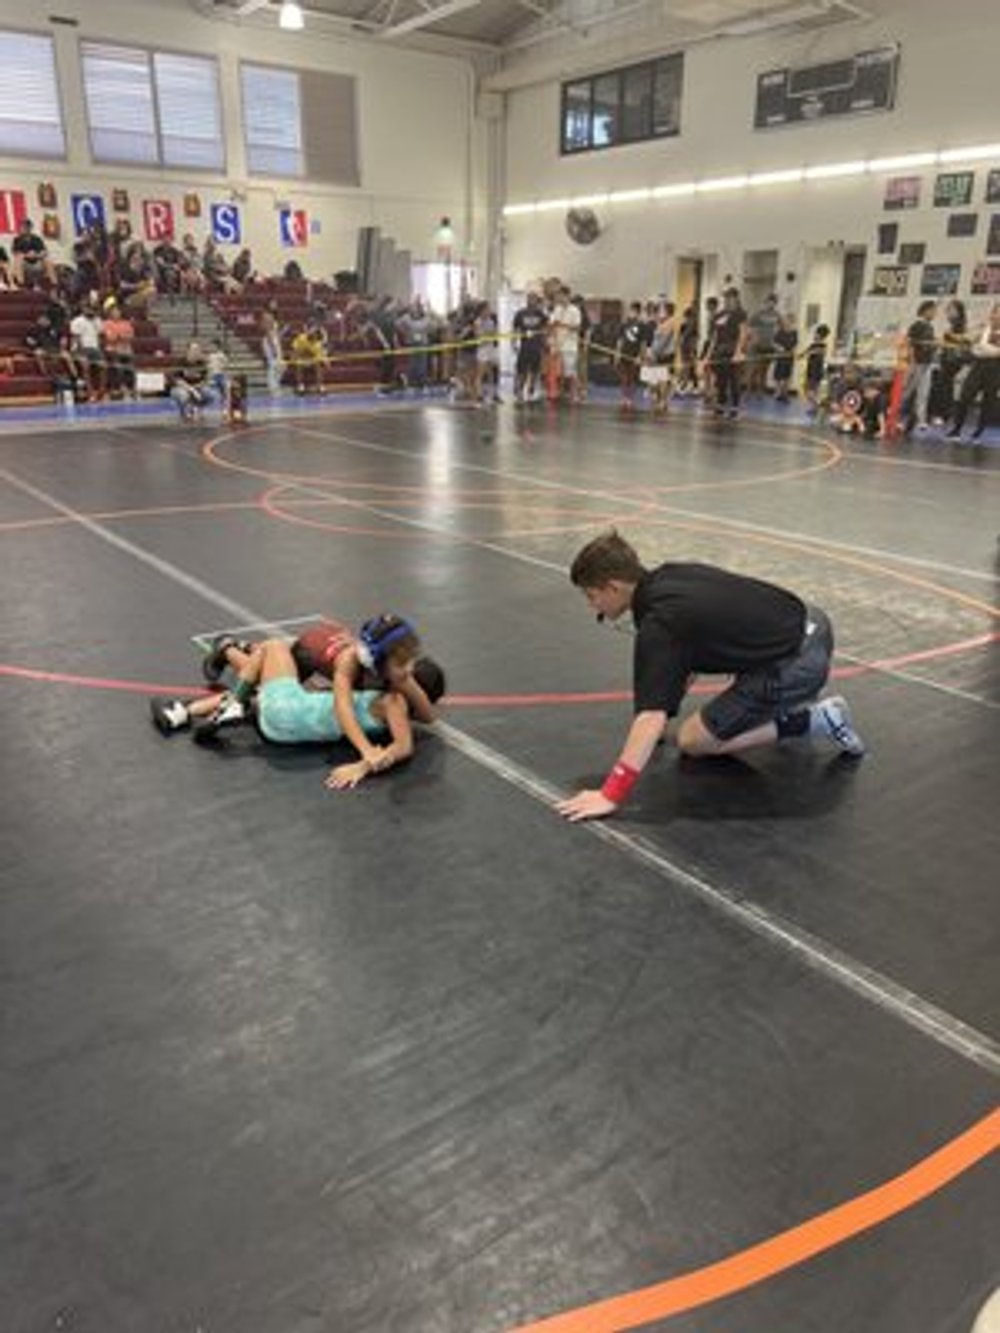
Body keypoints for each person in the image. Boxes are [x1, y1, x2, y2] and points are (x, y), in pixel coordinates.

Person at [554, 530, 865, 823]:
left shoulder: (660, 625)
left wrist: (611, 794)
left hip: (799, 661)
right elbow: (687, 658)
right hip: (810, 621)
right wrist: (665, 704)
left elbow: (651, 715)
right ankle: (788, 697)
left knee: (693, 741)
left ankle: (818, 718)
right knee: (704, 715)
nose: (591, 605)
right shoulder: (670, 575)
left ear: (613, 587)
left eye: (592, 595)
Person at [150, 645, 446, 792]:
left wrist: (365, 762)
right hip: (283, 734)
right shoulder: (393, 716)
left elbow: (403, 745)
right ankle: (185, 707)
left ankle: (214, 698)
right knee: (265, 688)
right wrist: (364, 763)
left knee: (273, 647)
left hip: (285, 708)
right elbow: (402, 746)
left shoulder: (392, 700)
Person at [946, 303, 1000, 441]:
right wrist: (956, 338)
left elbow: (994, 351)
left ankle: (979, 431)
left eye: (998, 314)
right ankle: (956, 429)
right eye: (994, 313)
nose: (996, 316)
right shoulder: (984, 329)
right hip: (979, 365)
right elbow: (970, 341)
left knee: (988, 400)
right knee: (965, 395)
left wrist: (984, 348)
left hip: (995, 368)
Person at [702, 287, 748, 420]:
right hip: (719, 352)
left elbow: (743, 333)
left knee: (733, 381)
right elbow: (714, 338)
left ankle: (735, 409)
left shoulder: (740, 314)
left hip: (732, 350)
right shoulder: (719, 315)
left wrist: (738, 351)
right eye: (726, 298)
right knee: (720, 381)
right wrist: (707, 356)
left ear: (736, 298)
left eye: (730, 297)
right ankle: (720, 407)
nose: (727, 300)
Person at [900, 299, 938, 434]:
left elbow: (930, 345)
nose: (935, 313)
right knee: (908, 391)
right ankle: (898, 415)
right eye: (933, 310)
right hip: (916, 363)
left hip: (927, 364)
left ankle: (921, 419)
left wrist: (934, 346)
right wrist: (912, 360)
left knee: (923, 392)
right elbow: (909, 342)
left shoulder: (930, 327)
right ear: (926, 310)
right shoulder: (917, 325)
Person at [512, 292, 547, 403]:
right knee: (521, 370)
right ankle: (519, 391)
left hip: (536, 346)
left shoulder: (541, 314)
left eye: (533, 299)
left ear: (536, 301)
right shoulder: (520, 313)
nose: (531, 301)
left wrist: (543, 340)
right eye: (529, 299)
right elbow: (515, 329)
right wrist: (513, 342)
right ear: (527, 300)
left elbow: (546, 328)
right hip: (524, 346)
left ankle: (531, 390)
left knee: (535, 371)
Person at [616, 301, 650, 413]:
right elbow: (620, 340)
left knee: (632, 379)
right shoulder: (624, 324)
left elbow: (643, 343)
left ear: (637, 312)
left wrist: (641, 356)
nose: (629, 313)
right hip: (623, 355)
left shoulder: (643, 326)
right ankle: (624, 398)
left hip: (634, 356)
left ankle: (630, 398)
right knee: (623, 378)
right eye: (629, 311)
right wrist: (617, 353)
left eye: (631, 311)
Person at [803, 323, 830, 415]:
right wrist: (803, 354)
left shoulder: (822, 345)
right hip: (810, 369)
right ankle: (814, 406)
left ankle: (816, 405)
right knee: (808, 390)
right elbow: (806, 352)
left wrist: (810, 352)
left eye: (816, 333)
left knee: (811, 390)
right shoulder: (814, 344)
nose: (814, 335)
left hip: (816, 370)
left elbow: (820, 351)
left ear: (819, 334)